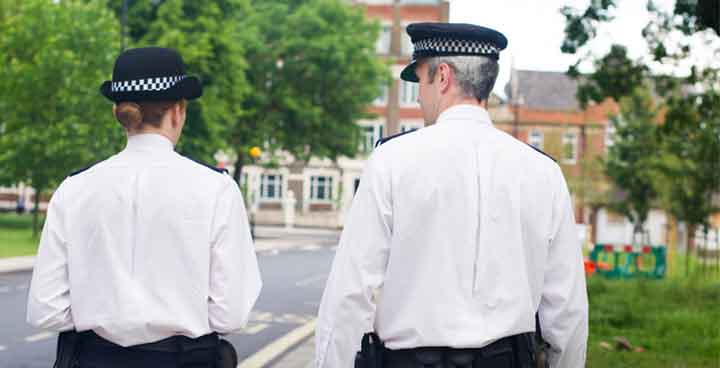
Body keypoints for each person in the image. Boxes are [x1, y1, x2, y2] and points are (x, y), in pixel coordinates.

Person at [315, 23, 588, 368]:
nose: (422, 98)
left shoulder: (392, 161)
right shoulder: (543, 173)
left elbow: (350, 296)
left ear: (442, 77)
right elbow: (567, 310)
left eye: (421, 83)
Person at [26, 47, 262, 368]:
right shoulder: (216, 189)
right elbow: (230, 313)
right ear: (178, 111)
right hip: (184, 360)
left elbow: (47, 309)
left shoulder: (74, 189)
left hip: (93, 359)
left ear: (118, 114)